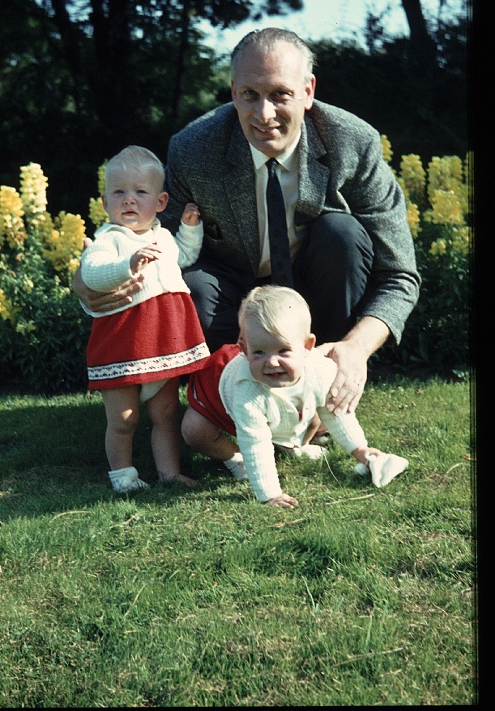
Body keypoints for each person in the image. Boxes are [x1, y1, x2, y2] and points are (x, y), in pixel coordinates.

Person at [73, 27, 420, 421]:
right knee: (195, 286)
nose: (264, 114)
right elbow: (152, 237)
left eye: (280, 95)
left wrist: (356, 348)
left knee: (342, 235)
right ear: (233, 91)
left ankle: (324, 387)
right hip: (229, 293)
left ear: (308, 91)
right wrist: (88, 278)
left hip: (312, 293)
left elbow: (400, 274)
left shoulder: (353, 143)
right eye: (250, 95)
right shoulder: (193, 148)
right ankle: (225, 403)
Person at [182, 285, 408, 509]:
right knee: (194, 431)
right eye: (258, 352)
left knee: (318, 410)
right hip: (219, 403)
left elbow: (335, 412)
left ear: (308, 346)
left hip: (282, 406)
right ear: (244, 349)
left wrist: (361, 450)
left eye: (283, 351)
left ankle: (294, 445)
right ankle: (233, 457)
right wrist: (270, 494)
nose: (271, 362)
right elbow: (255, 441)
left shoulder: (320, 370)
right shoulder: (246, 389)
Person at [80, 145, 210, 493]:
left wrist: (189, 229)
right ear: (105, 203)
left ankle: (170, 473)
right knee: (125, 419)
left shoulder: (162, 236)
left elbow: (183, 256)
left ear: (161, 202)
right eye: (119, 192)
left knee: (166, 413)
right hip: (124, 341)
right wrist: (128, 265)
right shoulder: (107, 240)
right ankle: (124, 477)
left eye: (140, 192)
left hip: (165, 340)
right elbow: (92, 274)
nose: (129, 200)